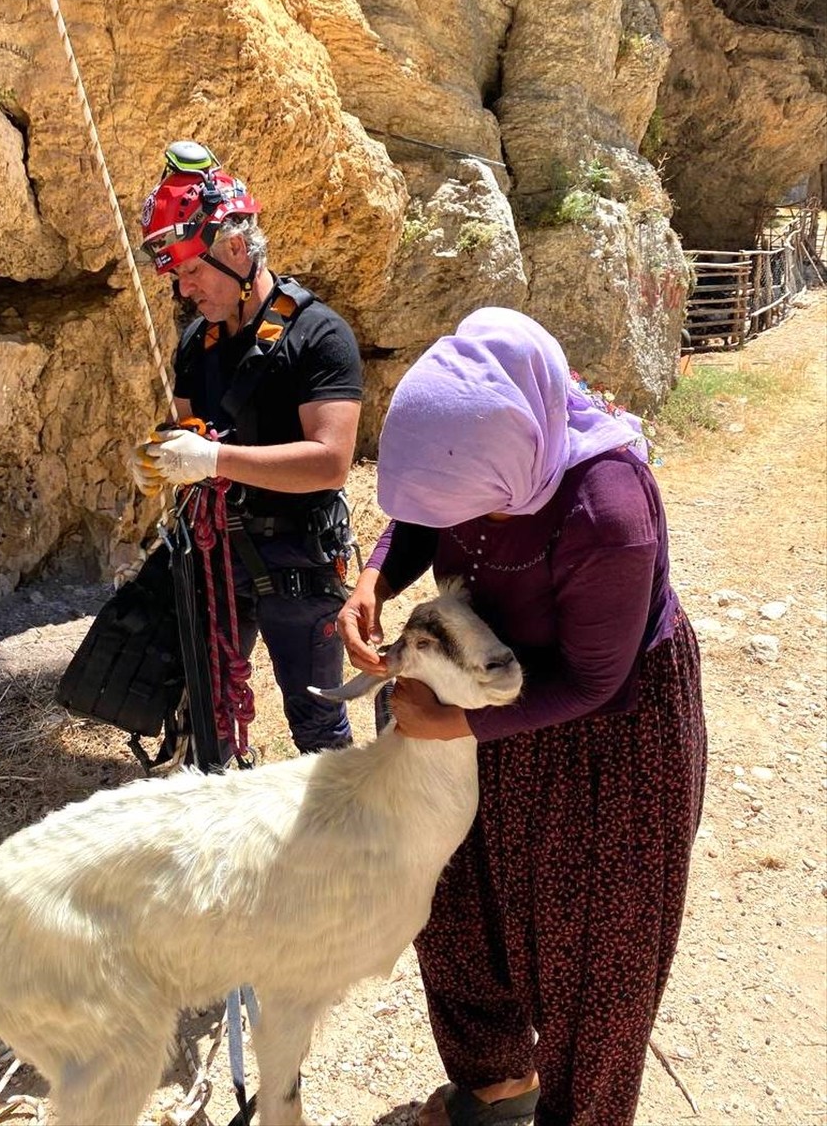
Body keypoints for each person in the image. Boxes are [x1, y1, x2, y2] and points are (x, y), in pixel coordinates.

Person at [339, 307, 707, 1126]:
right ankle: (495, 1087)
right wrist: (374, 578)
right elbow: (424, 509)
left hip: (605, 739)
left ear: (524, 454)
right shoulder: (493, 454)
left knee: (589, 950)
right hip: (483, 702)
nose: (470, 519)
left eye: (486, 507)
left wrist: (447, 726)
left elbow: (593, 682)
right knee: (456, 901)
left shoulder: (607, 513)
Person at [131, 141, 363, 754]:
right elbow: (189, 430)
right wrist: (167, 454)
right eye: (176, 276)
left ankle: (337, 843)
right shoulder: (195, 345)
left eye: (191, 271)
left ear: (235, 248)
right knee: (205, 709)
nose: (185, 290)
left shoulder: (318, 336)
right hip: (217, 555)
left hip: (297, 558)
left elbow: (329, 461)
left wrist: (213, 460)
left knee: (316, 720)